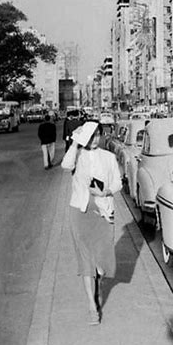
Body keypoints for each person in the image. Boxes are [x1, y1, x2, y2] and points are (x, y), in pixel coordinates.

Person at [61, 120, 122, 325]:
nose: (95, 139)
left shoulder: (109, 157)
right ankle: (92, 306)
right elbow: (65, 165)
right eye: (91, 136)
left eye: (98, 135)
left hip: (103, 211)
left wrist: (104, 191)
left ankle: (98, 281)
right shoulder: (77, 156)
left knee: (102, 262)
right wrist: (76, 143)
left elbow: (118, 183)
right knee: (85, 259)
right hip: (80, 211)